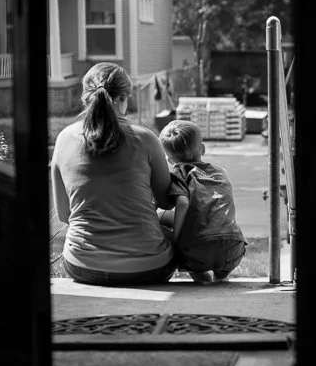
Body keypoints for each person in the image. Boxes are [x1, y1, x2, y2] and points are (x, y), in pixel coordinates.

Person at [50, 62, 177, 286]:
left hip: (82, 266)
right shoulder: (145, 139)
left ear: (85, 97)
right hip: (147, 267)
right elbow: (167, 202)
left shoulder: (64, 138)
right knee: (171, 230)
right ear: (123, 98)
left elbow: (64, 214)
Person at [157, 120, 247, 283]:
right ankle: (221, 278)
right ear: (203, 148)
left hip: (198, 251)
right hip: (233, 246)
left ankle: (202, 281)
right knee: (221, 264)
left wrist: (177, 239)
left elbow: (183, 203)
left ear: (169, 160)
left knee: (188, 257)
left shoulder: (180, 173)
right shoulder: (221, 172)